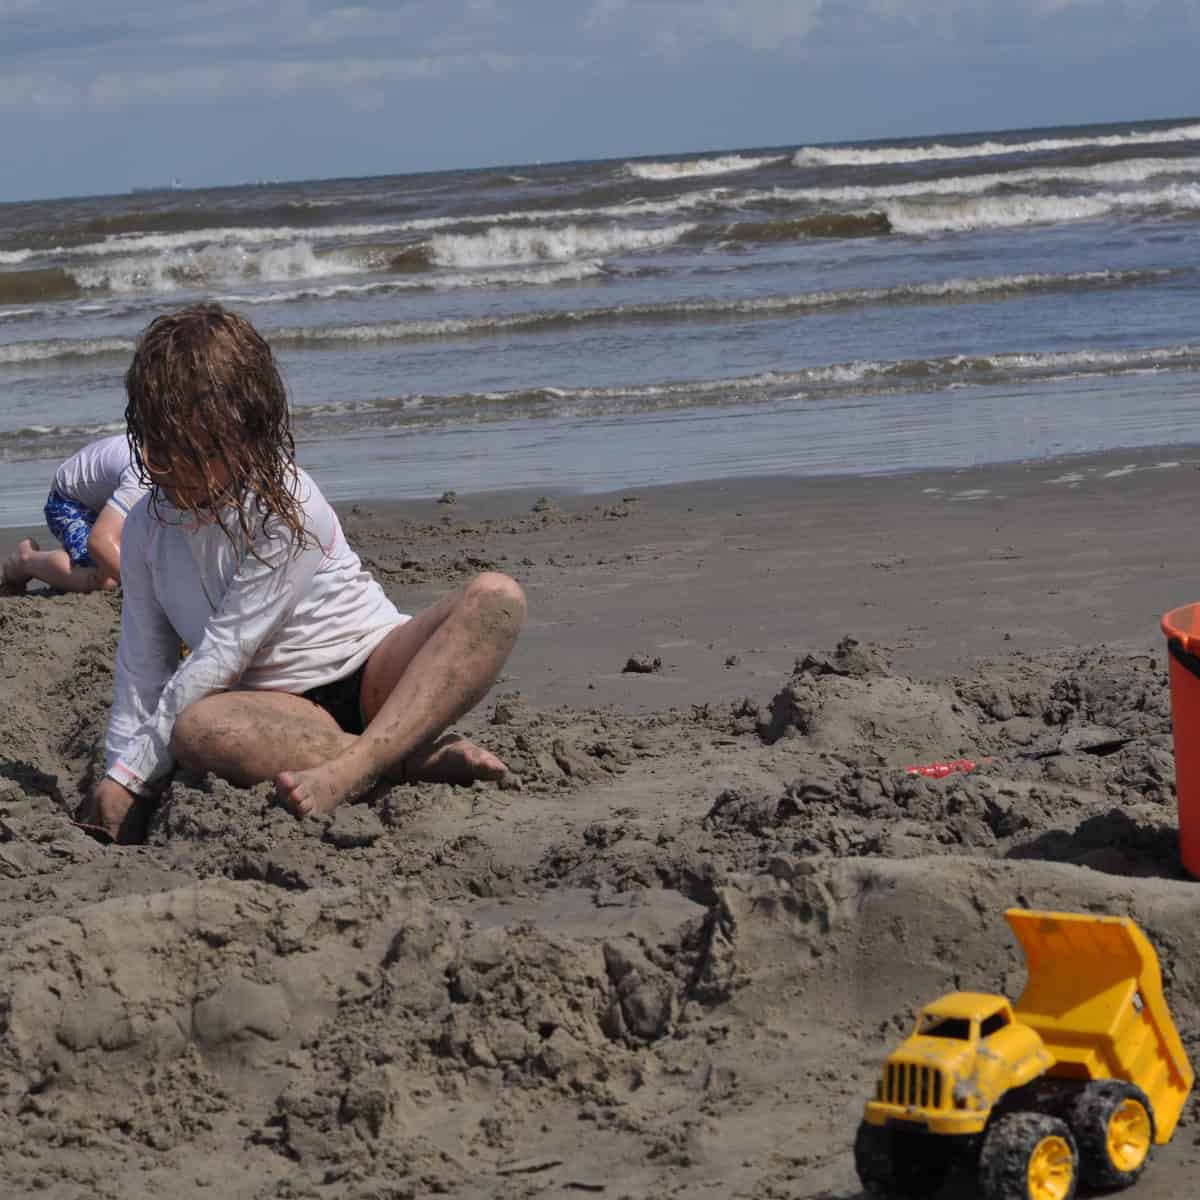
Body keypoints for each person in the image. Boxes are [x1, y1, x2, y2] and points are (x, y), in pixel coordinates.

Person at [76, 303, 525, 843]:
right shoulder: (147, 526)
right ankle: (404, 760)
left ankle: (361, 765)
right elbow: (143, 665)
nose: (170, 469)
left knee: (498, 597)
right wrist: (119, 775)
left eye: (196, 452)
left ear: (247, 434)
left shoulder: (288, 503)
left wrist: (133, 774)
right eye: (159, 448)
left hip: (376, 675)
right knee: (196, 729)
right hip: (276, 714)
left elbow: (224, 653)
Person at [1, 433, 150, 594]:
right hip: (68, 500)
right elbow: (100, 541)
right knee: (106, 579)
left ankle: (71, 555)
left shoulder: (161, 446)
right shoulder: (141, 477)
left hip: (104, 495)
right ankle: (26, 560)